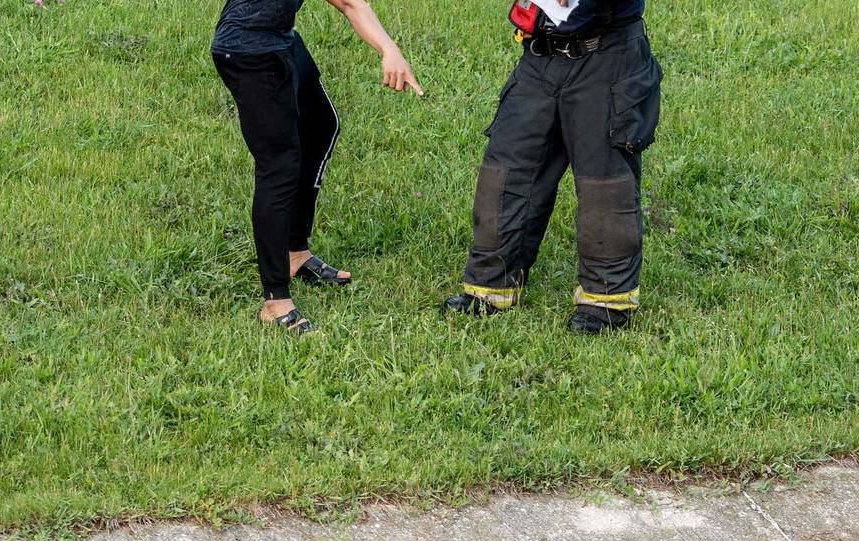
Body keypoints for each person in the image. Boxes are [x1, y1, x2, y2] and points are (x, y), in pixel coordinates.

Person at [442, 0, 662, 334]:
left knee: (603, 184)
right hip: (539, 57)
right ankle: (491, 287)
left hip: (606, 59)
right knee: (507, 168)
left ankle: (605, 303)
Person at [213, 0, 422, 334]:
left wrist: (389, 48)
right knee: (278, 167)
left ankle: (295, 252)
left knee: (321, 125)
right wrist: (389, 50)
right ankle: (275, 300)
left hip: (280, 38)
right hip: (248, 51)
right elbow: (350, 3)